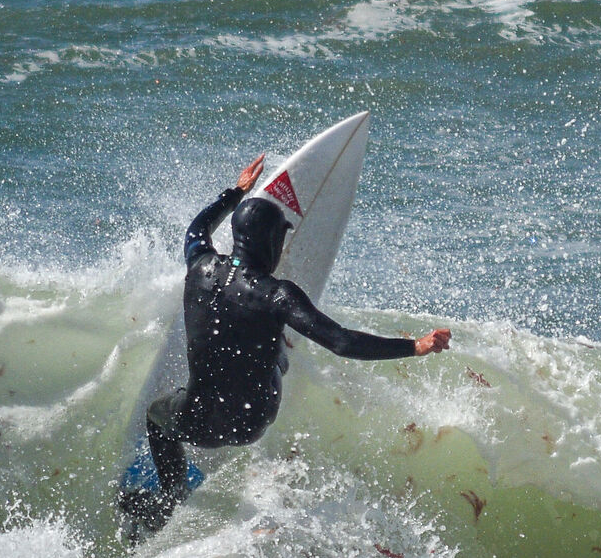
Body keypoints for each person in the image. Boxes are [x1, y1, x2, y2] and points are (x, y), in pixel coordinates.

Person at [117, 154, 449, 537]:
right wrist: (414, 346)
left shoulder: (200, 267)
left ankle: (170, 496)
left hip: (197, 420)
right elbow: (341, 341)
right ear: (273, 242)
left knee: (159, 418)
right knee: (274, 353)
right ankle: (277, 353)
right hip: (249, 422)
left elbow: (196, 230)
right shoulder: (279, 295)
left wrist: (235, 193)